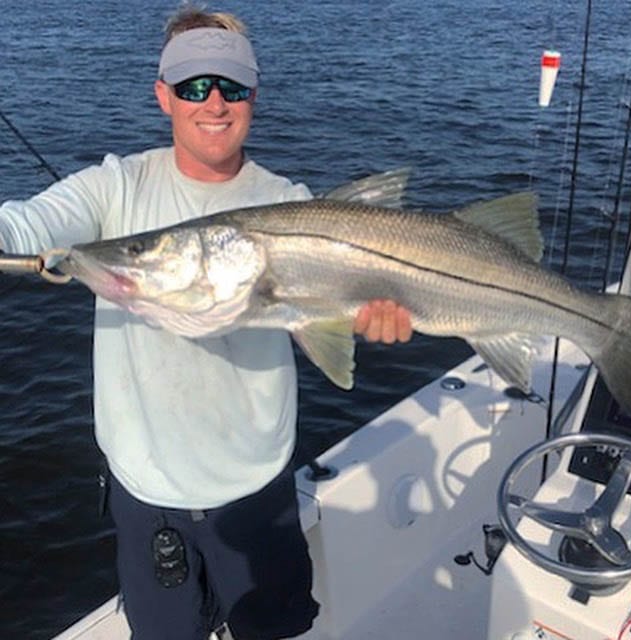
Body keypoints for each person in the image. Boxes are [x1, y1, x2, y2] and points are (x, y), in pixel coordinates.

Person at [0, 7, 412, 640]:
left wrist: (368, 320)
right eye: (194, 86)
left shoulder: (292, 202)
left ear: (253, 94)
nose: (213, 103)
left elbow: (330, 325)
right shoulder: (115, 189)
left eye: (231, 85)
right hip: (145, 500)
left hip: (256, 494)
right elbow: (23, 228)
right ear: (163, 96)